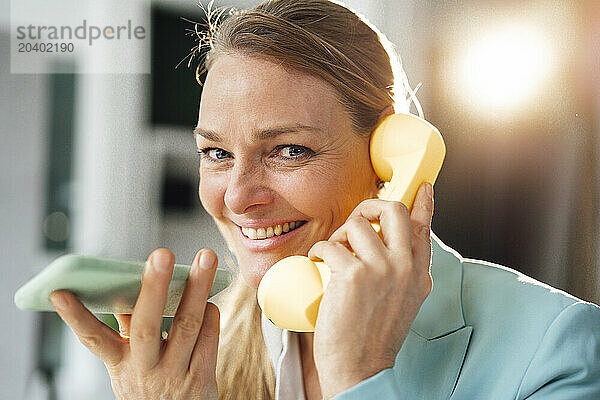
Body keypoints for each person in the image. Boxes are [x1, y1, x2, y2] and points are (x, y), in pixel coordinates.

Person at [49, 0, 600, 399]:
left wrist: (358, 376)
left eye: (289, 150)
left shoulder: (559, 350)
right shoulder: (209, 355)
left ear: (389, 157)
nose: (238, 197)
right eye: (216, 153)